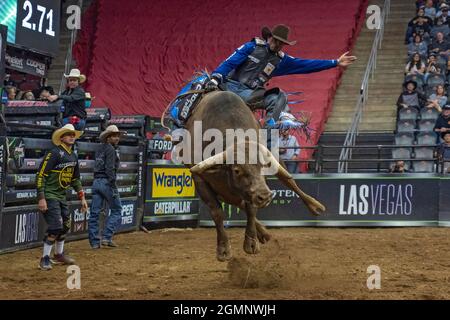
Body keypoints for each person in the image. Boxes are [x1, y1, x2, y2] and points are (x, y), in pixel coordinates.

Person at [170, 24, 356, 128]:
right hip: (228, 85)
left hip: (250, 94)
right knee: (200, 82)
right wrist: (217, 76)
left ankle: (269, 126)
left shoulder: (281, 60)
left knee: (279, 96)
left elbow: (305, 65)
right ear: (270, 38)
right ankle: (179, 120)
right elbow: (231, 62)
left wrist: (334, 62)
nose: (277, 45)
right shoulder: (252, 47)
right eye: (276, 41)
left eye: (281, 43)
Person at [36, 124, 88, 270]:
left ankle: (58, 254)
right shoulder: (54, 153)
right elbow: (41, 175)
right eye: (68, 134)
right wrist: (41, 197)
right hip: (50, 195)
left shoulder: (73, 156)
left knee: (65, 225)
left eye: (73, 134)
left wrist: (82, 198)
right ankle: (44, 258)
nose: (72, 136)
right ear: (61, 137)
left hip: (61, 195)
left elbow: (75, 179)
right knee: (56, 226)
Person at [88, 125, 125, 249]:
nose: (117, 138)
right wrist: (113, 184)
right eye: (114, 136)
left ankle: (94, 242)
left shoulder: (99, 148)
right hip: (106, 182)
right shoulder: (110, 149)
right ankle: (107, 237)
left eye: (117, 136)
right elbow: (110, 168)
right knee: (117, 209)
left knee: (94, 212)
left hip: (96, 182)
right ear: (108, 138)